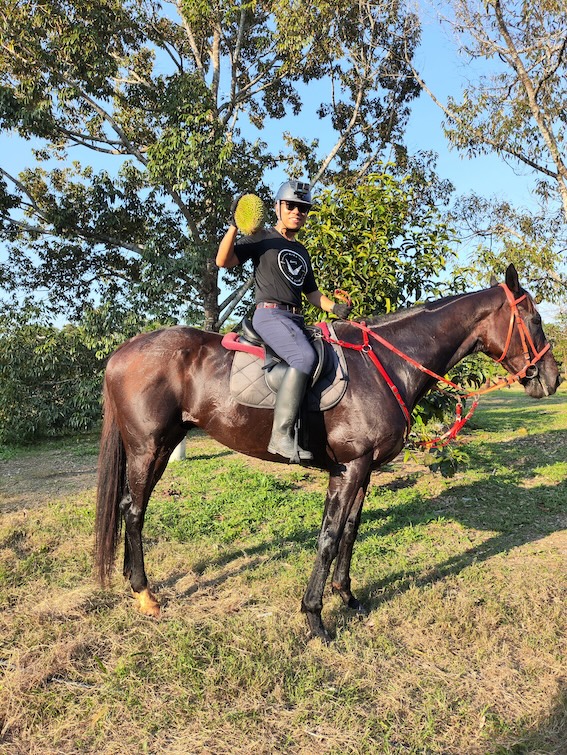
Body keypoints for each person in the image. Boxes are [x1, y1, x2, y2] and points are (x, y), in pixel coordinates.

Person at [216, 179, 352, 462]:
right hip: (268, 314)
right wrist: (232, 225)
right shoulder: (262, 237)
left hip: (295, 318)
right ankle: (280, 435)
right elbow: (223, 261)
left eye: (303, 208)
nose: (297, 212)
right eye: (291, 205)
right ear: (278, 207)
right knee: (303, 358)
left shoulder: (301, 251)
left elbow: (312, 293)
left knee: (322, 356)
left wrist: (334, 307)